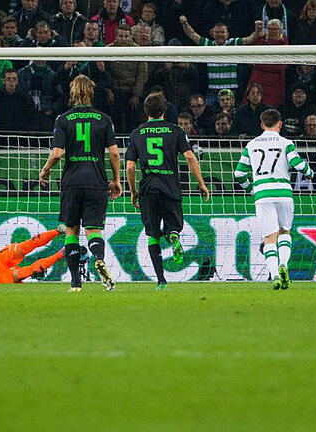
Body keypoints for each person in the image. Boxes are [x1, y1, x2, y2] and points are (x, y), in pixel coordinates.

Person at [39, 75, 122, 292]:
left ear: (72, 93)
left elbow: (57, 153)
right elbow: (114, 153)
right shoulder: (104, 119)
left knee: (71, 231)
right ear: (91, 92)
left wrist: (45, 170)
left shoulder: (63, 119)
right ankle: (98, 258)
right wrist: (116, 179)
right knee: (93, 230)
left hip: (72, 182)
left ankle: (76, 283)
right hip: (96, 181)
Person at [126, 92, 209, 290]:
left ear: (146, 111)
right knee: (173, 226)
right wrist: (201, 182)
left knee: (153, 235)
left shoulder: (137, 133)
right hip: (170, 186)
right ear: (164, 110)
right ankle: (173, 235)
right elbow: (190, 157)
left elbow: (129, 167)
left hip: (148, 188)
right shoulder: (176, 131)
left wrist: (132, 191)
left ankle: (161, 280)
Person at [233, 109, 313, 290]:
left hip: (263, 195)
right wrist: (310, 172)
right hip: (284, 193)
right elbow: (298, 165)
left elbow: (238, 173)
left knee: (269, 238)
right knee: (285, 232)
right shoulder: (286, 143)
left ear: (261, 125)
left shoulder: (251, 145)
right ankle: (284, 264)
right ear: (280, 124)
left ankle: (275, 275)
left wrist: (251, 190)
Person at [179, 16, 263, 106]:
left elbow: (250, 39)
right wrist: (185, 23)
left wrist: (258, 30)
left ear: (227, 34)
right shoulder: (207, 44)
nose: (220, 34)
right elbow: (192, 35)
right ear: (212, 33)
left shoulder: (233, 43)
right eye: (217, 32)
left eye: (222, 32)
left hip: (230, 92)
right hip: (212, 92)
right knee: (211, 118)